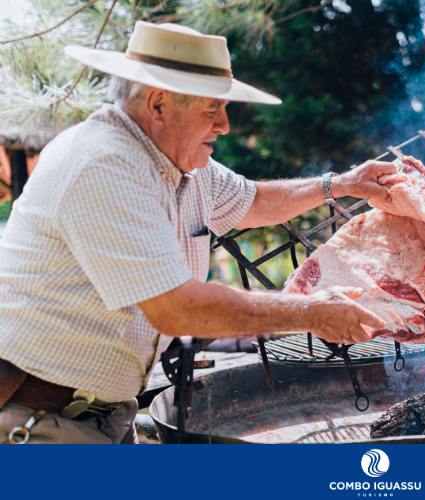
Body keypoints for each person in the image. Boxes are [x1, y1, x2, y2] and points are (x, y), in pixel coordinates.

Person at [0, 21, 395, 444]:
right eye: (212, 110)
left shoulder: (181, 163)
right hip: (33, 420)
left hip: (97, 418)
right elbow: (176, 308)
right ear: (157, 105)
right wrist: (311, 313)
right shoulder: (104, 164)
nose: (224, 125)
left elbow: (255, 201)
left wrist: (341, 184)